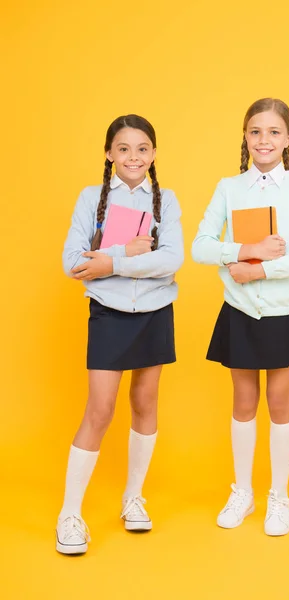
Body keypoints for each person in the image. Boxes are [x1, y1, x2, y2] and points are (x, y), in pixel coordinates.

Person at [192, 98, 289, 536]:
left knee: (281, 403)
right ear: (245, 137)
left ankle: (278, 496)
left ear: (288, 139)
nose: (263, 140)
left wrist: (262, 270)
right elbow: (200, 246)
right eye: (255, 131)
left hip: (284, 312)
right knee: (243, 402)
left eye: (273, 132)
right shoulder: (229, 188)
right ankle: (244, 492)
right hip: (239, 311)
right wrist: (244, 251)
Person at [57, 114, 184, 554]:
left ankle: (133, 498)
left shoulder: (165, 200)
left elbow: (171, 259)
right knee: (100, 409)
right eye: (124, 148)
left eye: (143, 148)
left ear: (153, 153)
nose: (134, 156)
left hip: (155, 312)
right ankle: (70, 514)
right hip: (109, 314)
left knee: (145, 403)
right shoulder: (91, 198)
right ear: (110, 153)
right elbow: (73, 262)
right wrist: (121, 253)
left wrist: (110, 264)